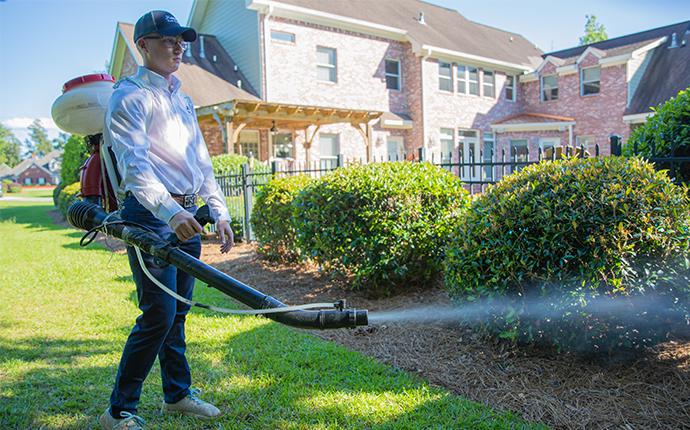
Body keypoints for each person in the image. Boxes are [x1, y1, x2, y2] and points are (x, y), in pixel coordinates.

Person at [98, 10, 234, 430]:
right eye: (168, 39)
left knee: (177, 314)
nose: (178, 47)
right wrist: (171, 212)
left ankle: (177, 395)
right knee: (157, 314)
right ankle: (118, 411)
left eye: (182, 40)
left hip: (186, 215)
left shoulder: (182, 97)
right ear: (142, 45)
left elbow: (200, 159)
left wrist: (218, 209)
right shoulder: (129, 96)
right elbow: (135, 168)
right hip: (153, 217)